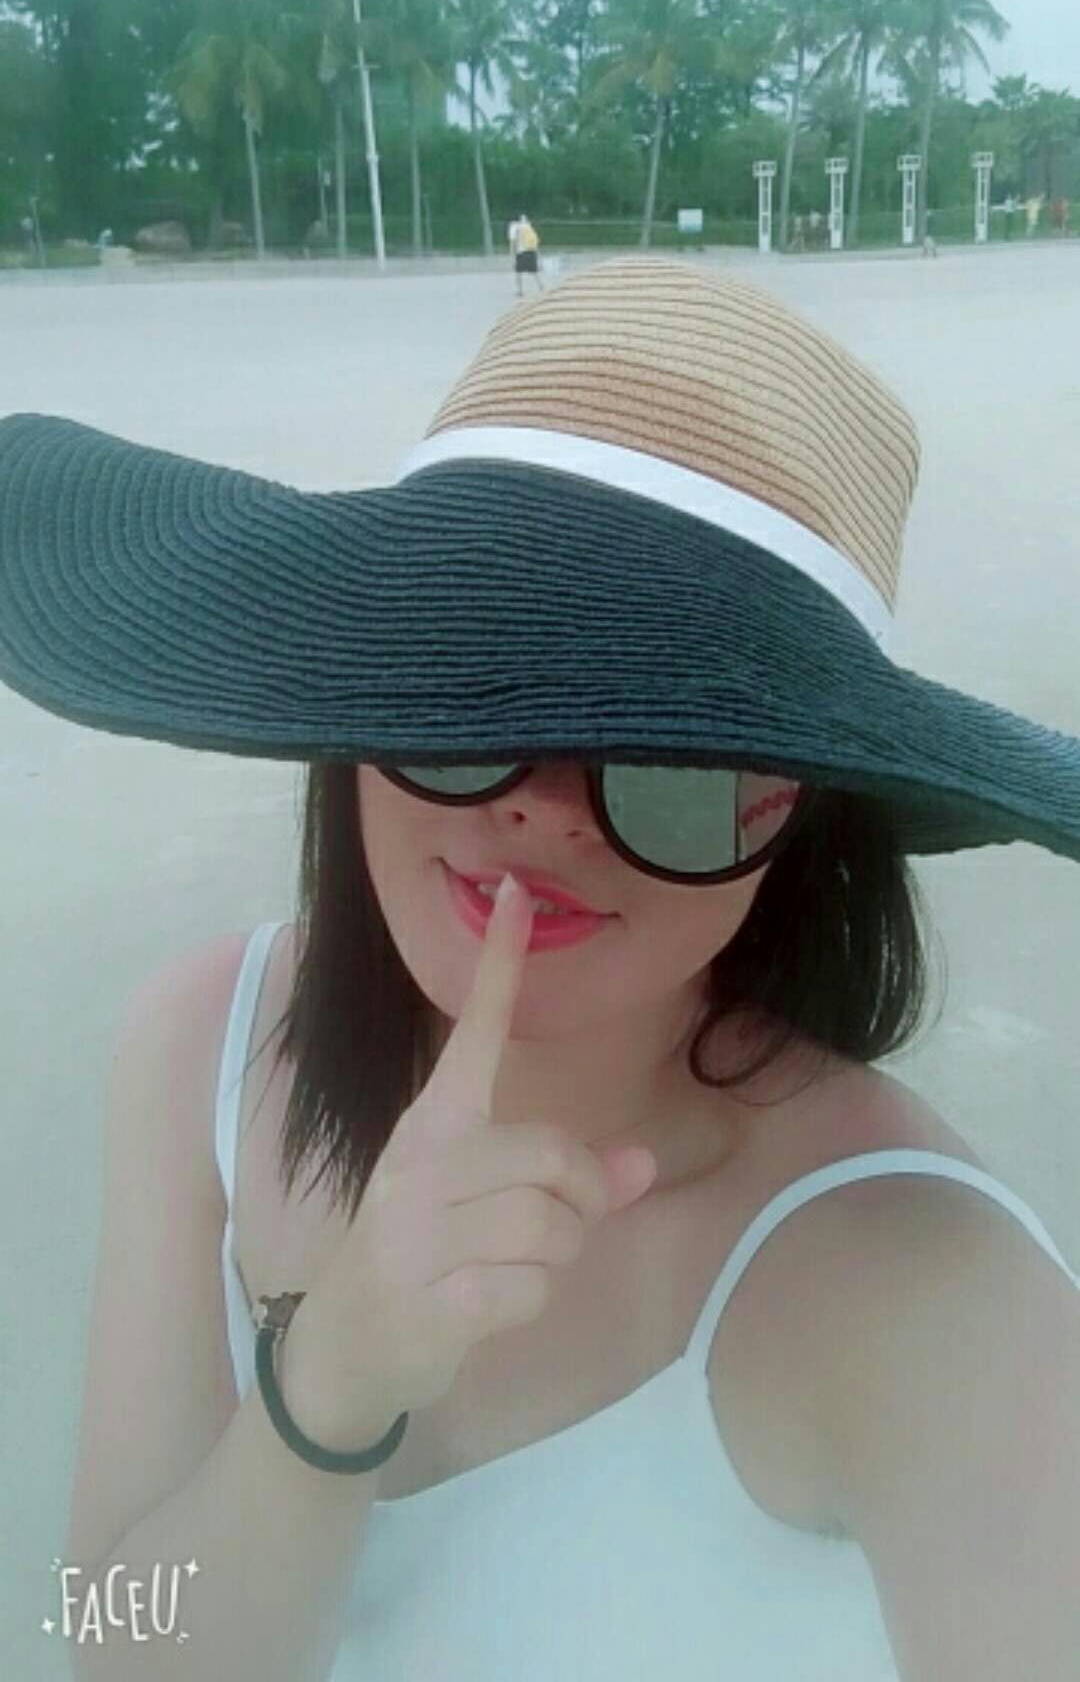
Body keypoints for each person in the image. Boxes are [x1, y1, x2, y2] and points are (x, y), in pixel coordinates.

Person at [3, 258, 1079, 1679]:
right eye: (471, 690)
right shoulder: (203, 1046)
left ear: (806, 818)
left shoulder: (926, 1281)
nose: (547, 812)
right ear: (356, 697)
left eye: (680, 752)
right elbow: (108, 1641)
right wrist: (332, 1385)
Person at [508, 209, 544, 296]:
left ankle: (520, 291)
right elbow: (535, 241)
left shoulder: (514, 227)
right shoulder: (528, 225)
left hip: (521, 252)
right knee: (534, 271)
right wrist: (538, 254)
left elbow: (513, 243)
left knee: (518, 272)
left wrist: (512, 257)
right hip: (531, 251)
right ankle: (541, 287)